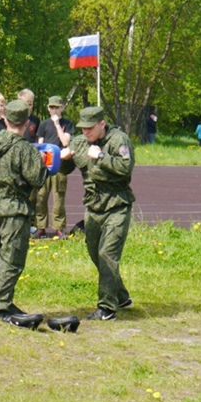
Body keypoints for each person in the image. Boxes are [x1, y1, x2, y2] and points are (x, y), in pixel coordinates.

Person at [60, 106, 135, 321]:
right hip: (93, 206)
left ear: (102, 124)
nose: (86, 132)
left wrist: (101, 156)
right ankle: (121, 296)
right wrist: (64, 160)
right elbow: (64, 169)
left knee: (107, 255)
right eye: (83, 128)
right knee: (95, 253)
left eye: (90, 128)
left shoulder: (118, 140)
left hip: (116, 205)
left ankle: (107, 309)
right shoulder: (80, 142)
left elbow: (125, 167)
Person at [0, 100, 47, 329]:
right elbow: (37, 179)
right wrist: (42, 163)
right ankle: (0, 307)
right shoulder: (24, 149)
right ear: (27, 123)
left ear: (5, 120)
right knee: (12, 259)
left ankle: (4, 301)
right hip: (14, 209)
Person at [35, 96, 74, 239]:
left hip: (60, 164)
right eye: (52, 107)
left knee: (59, 196)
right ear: (48, 108)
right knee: (41, 196)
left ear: (62, 108)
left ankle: (59, 227)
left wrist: (57, 125)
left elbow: (65, 142)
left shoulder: (67, 124)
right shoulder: (43, 124)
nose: (54, 110)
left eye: (57, 107)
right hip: (45, 164)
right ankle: (40, 226)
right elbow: (40, 144)